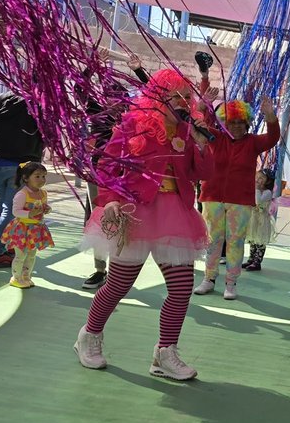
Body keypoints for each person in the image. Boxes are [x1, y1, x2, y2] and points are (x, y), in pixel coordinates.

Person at [74, 69, 214, 381]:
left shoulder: (187, 129)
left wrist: (203, 144)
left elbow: (201, 173)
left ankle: (165, 353)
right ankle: (89, 335)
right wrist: (109, 199)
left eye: (187, 97)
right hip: (134, 211)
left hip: (175, 214)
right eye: (177, 96)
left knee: (181, 288)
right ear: (159, 95)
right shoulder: (133, 123)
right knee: (119, 284)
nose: (184, 102)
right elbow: (107, 165)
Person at [194, 100, 280, 300]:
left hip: (240, 201)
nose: (237, 126)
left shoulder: (253, 142)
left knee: (235, 241)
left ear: (247, 123)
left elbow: (273, 137)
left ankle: (231, 283)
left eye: (241, 122)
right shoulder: (216, 137)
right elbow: (199, 124)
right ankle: (209, 278)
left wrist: (270, 116)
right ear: (225, 122)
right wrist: (202, 104)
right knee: (213, 240)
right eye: (232, 122)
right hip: (213, 197)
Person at [80, 52, 152, 289]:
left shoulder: (133, 118)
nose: (112, 102)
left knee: (124, 220)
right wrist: (92, 65)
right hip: (99, 174)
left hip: (127, 176)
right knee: (99, 218)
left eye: (117, 98)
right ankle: (100, 270)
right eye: (108, 98)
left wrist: (139, 70)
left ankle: (117, 271)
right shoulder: (97, 114)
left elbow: (155, 95)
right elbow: (81, 89)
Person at [0, 91, 44, 269]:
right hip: (21, 164)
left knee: (5, 206)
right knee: (11, 209)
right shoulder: (37, 102)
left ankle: (6, 246)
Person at [1, 161, 54, 289]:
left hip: (36, 229)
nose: (42, 179)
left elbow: (43, 207)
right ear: (25, 178)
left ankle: (26, 276)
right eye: (37, 176)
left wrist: (47, 209)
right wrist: (29, 214)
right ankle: (15, 278)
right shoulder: (22, 194)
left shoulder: (43, 193)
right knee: (21, 255)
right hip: (22, 229)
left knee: (31, 255)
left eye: (43, 176)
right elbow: (15, 211)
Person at [244, 169, 276, 272]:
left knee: (260, 240)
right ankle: (251, 259)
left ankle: (257, 262)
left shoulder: (267, 192)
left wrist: (257, 189)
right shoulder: (255, 190)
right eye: (257, 177)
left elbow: (258, 201)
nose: (257, 179)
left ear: (268, 181)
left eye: (261, 178)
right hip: (253, 218)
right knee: (253, 239)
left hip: (262, 220)